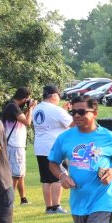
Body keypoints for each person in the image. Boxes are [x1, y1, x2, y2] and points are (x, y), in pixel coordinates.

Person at [32, 84, 73, 214]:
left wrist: (63, 110)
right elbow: (71, 123)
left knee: (46, 178)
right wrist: (65, 111)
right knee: (58, 176)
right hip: (54, 147)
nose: (59, 99)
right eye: (58, 96)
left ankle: (49, 207)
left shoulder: (37, 109)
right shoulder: (56, 110)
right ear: (54, 95)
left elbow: (52, 123)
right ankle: (56, 206)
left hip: (40, 146)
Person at [0, 87, 37, 204]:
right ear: (24, 98)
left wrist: (27, 109)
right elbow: (27, 122)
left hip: (14, 144)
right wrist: (30, 108)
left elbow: (20, 118)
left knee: (20, 173)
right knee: (16, 174)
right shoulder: (13, 107)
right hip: (15, 144)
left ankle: (23, 199)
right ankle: (9, 201)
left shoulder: (11, 106)